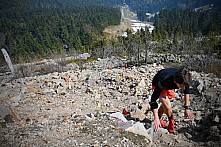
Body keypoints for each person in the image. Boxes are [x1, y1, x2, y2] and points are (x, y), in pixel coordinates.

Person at [150, 67, 194, 133]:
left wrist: (187, 108)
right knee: (167, 106)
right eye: (181, 86)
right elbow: (153, 100)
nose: (183, 88)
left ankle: (159, 118)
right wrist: (155, 118)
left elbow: (186, 92)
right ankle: (171, 121)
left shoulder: (185, 79)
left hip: (169, 84)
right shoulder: (163, 81)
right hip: (158, 81)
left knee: (165, 104)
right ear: (176, 82)